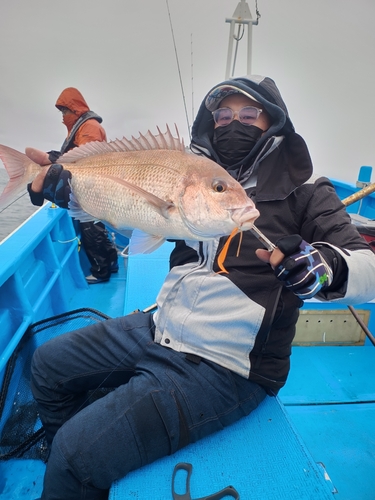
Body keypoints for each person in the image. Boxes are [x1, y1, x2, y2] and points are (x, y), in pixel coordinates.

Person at [30, 75, 375, 500]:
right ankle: (82, 466)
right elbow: (132, 216)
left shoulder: (306, 195)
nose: (234, 123)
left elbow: (368, 267)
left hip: (226, 367)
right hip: (161, 327)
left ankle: (76, 466)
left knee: (72, 454)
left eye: (250, 115)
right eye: (223, 115)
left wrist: (326, 268)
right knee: (46, 365)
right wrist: (74, 193)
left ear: (275, 125)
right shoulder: (191, 178)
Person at [27, 87, 118, 284]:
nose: (63, 117)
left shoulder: (89, 127)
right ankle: (112, 263)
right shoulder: (83, 126)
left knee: (91, 230)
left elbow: (88, 158)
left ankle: (101, 272)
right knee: (97, 227)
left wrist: (52, 161)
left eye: (65, 112)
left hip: (91, 188)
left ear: (75, 110)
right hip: (94, 186)